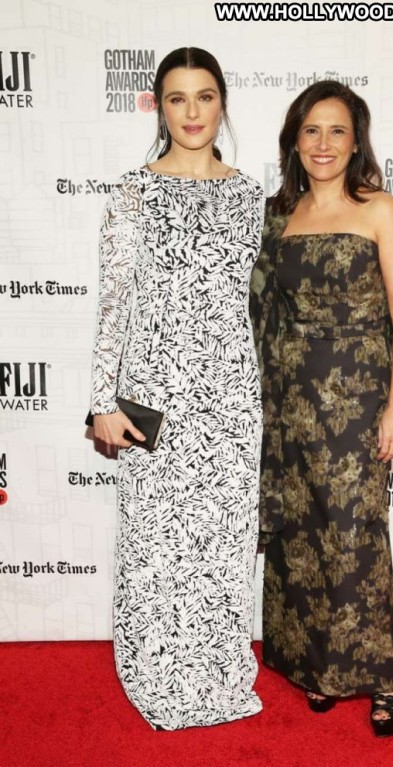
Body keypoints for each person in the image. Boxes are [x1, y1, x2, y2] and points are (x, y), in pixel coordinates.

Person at [89, 47, 265, 731]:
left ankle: (219, 673)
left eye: (205, 96)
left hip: (231, 396)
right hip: (153, 395)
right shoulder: (133, 191)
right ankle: (158, 672)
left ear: (222, 103)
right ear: (159, 108)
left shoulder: (250, 195)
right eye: (177, 98)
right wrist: (101, 402)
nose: (192, 112)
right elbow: (115, 302)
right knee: (156, 545)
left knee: (222, 543)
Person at [250, 80, 393, 737]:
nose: (324, 143)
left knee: (354, 539)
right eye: (311, 131)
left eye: (337, 131)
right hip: (288, 405)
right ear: (295, 141)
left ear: (355, 143)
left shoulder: (378, 209)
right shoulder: (278, 215)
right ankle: (321, 668)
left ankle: (384, 679)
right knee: (301, 539)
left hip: (355, 405)